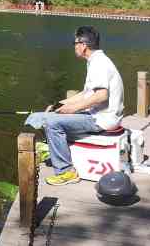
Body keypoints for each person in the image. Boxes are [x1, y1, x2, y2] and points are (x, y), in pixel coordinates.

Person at [24, 26, 124, 186]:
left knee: (52, 122)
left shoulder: (99, 63)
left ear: (83, 45)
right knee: (40, 117)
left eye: (75, 43)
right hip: (97, 115)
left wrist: (72, 109)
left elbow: (101, 95)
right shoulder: (95, 61)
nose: (74, 46)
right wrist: (60, 104)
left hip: (102, 119)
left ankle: (66, 171)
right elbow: (86, 94)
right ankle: (50, 149)